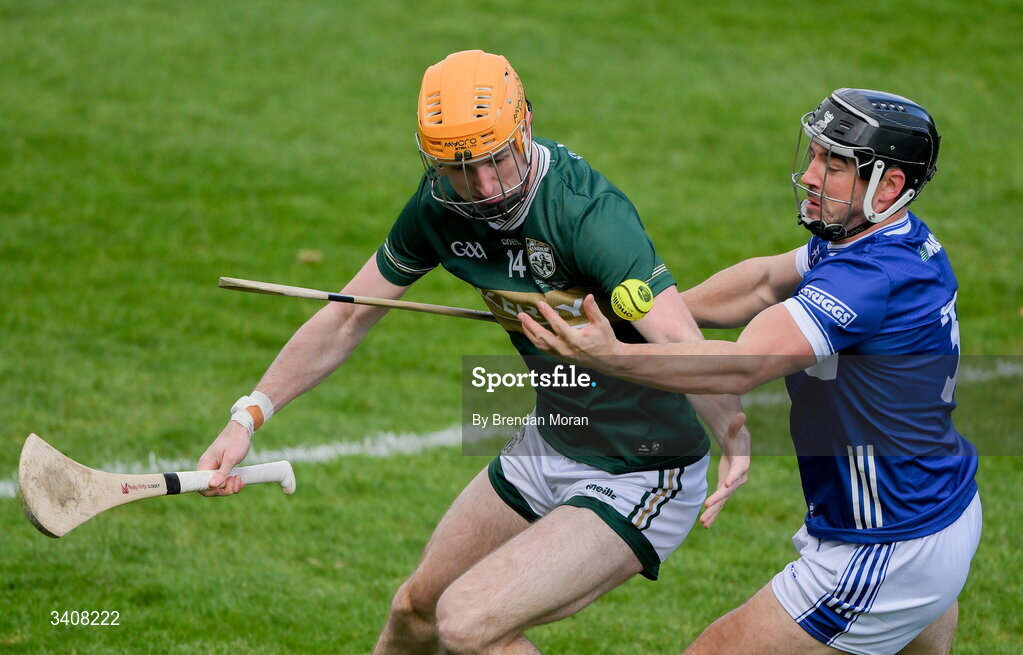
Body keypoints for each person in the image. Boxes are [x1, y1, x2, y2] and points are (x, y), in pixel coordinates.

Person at [197, 49, 750, 654]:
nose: (485, 188)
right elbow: (345, 317)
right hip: (554, 438)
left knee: (468, 625)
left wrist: (732, 430)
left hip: (644, 467)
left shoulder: (587, 214)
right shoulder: (439, 207)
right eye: (463, 170)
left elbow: (680, 341)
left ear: (525, 128)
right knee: (415, 612)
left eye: (496, 160)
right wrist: (248, 414)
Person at [519, 88, 981, 655]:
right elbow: (764, 282)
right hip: (940, 513)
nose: (811, 175)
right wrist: (658, 313)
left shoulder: (869, 279)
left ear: (889, 185)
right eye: (813, 155)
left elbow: (741, 364)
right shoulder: (880, 240)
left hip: (886, 546)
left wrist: (608, 355)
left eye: (834, 165)